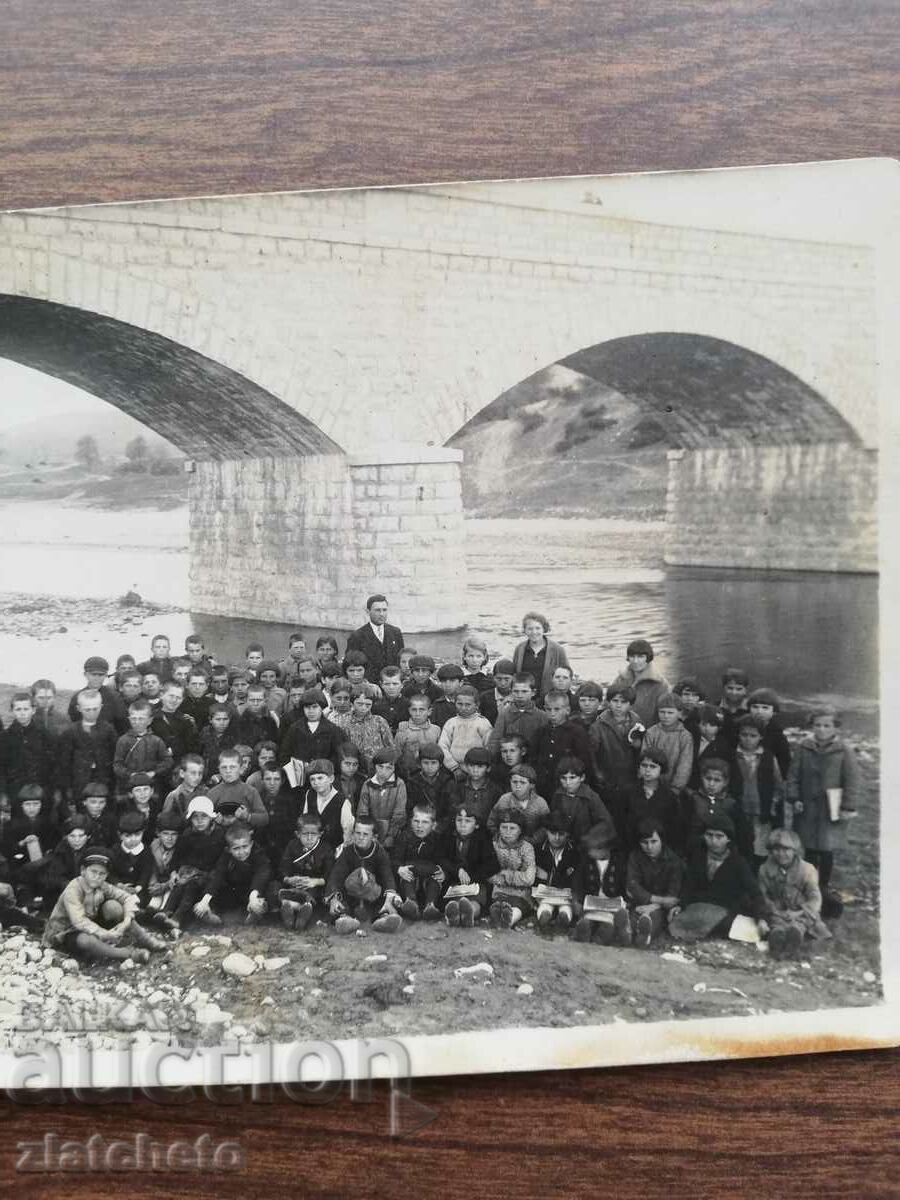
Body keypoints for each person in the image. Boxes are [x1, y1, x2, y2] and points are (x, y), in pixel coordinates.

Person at [787, 706, 862, 919]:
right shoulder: (804, 747)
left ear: (835, 727)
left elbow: (852, 780)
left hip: (831, 807)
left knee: (826, 849)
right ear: (812, 726)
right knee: (809, 847)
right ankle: (808, 883)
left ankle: (823, 886)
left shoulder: (844, 750)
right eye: (817, 725)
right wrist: (794, 798)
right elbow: (793, 775)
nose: (821, 729)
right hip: (808, 808)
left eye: (827, 725)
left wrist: (848, 805)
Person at [42, 847, 167, 964]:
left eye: (102, 874)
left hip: (91, 924)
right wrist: (104, 934)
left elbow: (127, 898)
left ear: (106, 875)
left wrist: (127, 920)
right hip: (65, 933)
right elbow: (78, 921)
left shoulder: (102, 885)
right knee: (86, 940)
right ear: (83, 871)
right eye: (93, 872)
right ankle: (127, 954)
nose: (97, 877)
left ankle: (145, 939)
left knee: (114, 907)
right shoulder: (73, 888)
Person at [669, 813, 767, 942]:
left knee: (740, 927)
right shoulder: (698, 857)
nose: (713, 841)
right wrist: (681, 905)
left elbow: (755, 893)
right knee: (676, 919)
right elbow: (689, 886)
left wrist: (761, 918)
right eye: (709, 835)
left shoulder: (738, 862)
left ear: (728, 839)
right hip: (698, 908)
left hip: (724, 911)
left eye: (719, 836)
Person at [758, 828, 831, 958]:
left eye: (786, 850)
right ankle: (776, 937)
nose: (781, 854)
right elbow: (762, 895)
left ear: (795, 851)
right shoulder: (764, 869)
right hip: (777, 911)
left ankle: (795, 936)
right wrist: (773, 910)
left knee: (800, 924)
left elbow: (815, 898)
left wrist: (798, 912)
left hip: (801, 911)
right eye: (776, 850)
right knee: (775, 923)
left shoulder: (807, 869)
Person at [325, 814, 402, 934]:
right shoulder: (347, 852)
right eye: (357, 833)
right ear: (353, 833)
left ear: (374, 837)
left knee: (385, 895)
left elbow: (387, 876)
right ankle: (344, 918)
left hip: (373, 894)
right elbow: (336, 876)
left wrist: (389, 899)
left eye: (365, 834)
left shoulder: (380, 853)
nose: (360, 837)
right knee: (341, 898)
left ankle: (383, 919)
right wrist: (333, 899)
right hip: (352, 893)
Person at [190, 822, 272, 927]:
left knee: (268, 891)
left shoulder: (258, 854)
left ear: (251, 844)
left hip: (254, 891)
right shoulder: (226, 857)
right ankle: (212, 915)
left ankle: (255, 913)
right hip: (235, 891)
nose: (241, 852)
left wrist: (253, 896)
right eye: (236, 848)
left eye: (245, 847)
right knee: (213, 886)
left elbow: (262, 874)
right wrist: (204, 901)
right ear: (228, 849)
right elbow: (217, 876)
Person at [730, 713, 785, 865]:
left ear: (760, 737)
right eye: (744, 735)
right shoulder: (732, 755)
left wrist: (772, 805)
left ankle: (758, 876)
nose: (748, 739)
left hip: (761, 810)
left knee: (760, 848)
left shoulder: (768, 757)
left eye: (753, 735)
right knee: (740, 845)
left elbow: (778, 785)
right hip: (739, 808)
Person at [623, 817, 685, 947]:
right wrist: (657, 901)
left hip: (661, 909)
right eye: (644, 842)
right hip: (640, 903)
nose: (649, 847)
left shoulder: (674, 861)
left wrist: (656, 905)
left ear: (662, 841)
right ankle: (628, 933)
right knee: (634, 915)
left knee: (654, 919)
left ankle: (645, 936)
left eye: (654, 841)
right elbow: (633, 886)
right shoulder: (635, 857)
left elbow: (673, 896)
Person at [270, 812, 335, 931]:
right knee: (275, 887)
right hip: (293, 883)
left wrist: (315, 881)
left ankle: (299, 911)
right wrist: (289, 879)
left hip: (314, 885)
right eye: (305, 834)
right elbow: (283, 867)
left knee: (314, 893)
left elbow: (330, 872)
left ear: (320, 834)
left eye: (313, 834)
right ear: (298, 834)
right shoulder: (292, 845)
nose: (309, 838)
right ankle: (293, 909)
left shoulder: (326, 848)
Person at [56, 689, 117, 816]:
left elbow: (113, 757)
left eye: (95, 709)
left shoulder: (108, 730)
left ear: (101, 707)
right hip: (80, 783)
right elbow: (64, 762)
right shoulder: (70, 732)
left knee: (103, 814)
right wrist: (67, 789)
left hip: (103, 781)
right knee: (82, 814)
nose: (92, 713)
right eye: (87, 709)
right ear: (79, 708)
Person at [438, 803, 499, 926]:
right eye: (459, 820)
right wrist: (458, 870)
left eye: (468, 821)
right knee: (452, 901)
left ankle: (469, 913)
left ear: (476, 825)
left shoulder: (482, 839)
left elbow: (493, 865)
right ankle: (454, 914)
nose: (463, 824)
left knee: (476, 902)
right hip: (454, 882)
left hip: (476, 883)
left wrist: (471, 875)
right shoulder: (448, 837)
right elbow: (440, 857)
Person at [532, 688, 599, 799]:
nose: (552, 713)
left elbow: (584, 761)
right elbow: (533, 758)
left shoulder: (577, 732)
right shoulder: (540, 732)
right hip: (543, 786)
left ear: (567, 710)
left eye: (557, 709)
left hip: (567, 786)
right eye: (548, 709)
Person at [682, 757, 751, 860]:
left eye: (717, 780)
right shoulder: (693, 800)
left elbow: (742, 833)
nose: (711, 784)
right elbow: (684, 828)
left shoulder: (731, 804)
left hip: (724, 854)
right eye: (708, 778)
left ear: (725, 782)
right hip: (696, 853)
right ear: (702, 777)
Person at [0, 691, 57, 812]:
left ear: (33, 710)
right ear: (12, 711)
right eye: (18, 709)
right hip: (16, 791)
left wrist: (54, 790)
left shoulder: (44, 734)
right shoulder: (5, 737)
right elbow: (2, 767)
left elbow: (54, 764)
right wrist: (3, 793)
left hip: (41, 790)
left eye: (26, 709)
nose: (22, 713)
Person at [592, 682, 644, 810]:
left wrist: (638, 746)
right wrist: (598, 775)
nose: (618, 705)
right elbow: (591, 753)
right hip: (608, 778)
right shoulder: (599, 725)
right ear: (608, 701)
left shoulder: (637, 723)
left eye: (623, 701)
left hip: (630, 778)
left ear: (630, 704)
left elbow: (643, 751)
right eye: (615, 700)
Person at [113, 700, 173, 801]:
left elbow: (168, 761)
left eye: (141, 719)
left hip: (151, 786)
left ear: (149, 720)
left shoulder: (156, 741)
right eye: (134, 719)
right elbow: (117, 765)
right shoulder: (123, 741)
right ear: (129, 719)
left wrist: (153, 773)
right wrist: (130, 774)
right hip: (130, 787)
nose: (137, 722)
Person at [392, 803, 443, 921]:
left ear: (434, 825)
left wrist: (443, 871)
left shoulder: (437, 839)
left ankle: (430, 906)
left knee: (436, 878)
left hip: (428, 880)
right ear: (411, 822)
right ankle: (411, 904)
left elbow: (443, 860)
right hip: (410, 879)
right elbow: (395, 858)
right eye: (416, 821)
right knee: (406, 874)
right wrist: (399, 868)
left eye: (425, 822)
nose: (419, 826)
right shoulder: (404, 837)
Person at [533, 811, 582, 932]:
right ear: (546, 832)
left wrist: (548, 876)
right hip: (544, 894)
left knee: (565, 907)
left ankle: (563, 920)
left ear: (567, 835)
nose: (556, 838)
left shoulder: (574, 852)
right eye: (552, 833)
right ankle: (544, 919)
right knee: (545, 906)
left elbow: (573, 878)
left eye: (561, 834)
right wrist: (559, 877)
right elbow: (535, 876)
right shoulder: (539, 850)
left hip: (566, 895)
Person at [278, 687, 344, 775]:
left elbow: (337, 756)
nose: (311, 711)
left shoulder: (333, 730)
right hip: (299, 778)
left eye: (315, 707)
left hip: (324, 778)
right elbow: (284, 754)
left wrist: (324, 769)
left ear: (322, 708)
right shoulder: (295, 729)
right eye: (307, 707)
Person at [488, 813, 537, 928]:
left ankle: (508, 920)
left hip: (521, 892)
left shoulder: (527, 848)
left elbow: (529, 878)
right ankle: (498, 916)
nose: (508, 832)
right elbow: (489, 873)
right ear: (499, 829)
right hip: (499, 890)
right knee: (498, 903)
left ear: (520, 830)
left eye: (512, 828)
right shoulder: (493, 845)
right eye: (504, 827)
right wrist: (497, 878)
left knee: (517, 906)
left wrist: (505, 875)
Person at [608, 639, 670, 728]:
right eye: (632, 656)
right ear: (628, 658)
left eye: (640, 657)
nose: (635, 661)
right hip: (621, 731)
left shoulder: (661, 684)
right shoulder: (620, 679)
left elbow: (666, 715)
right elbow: (608, 706)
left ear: (648, 658)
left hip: (648, 732)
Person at [641, 691, 694, 794]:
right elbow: (644, 758)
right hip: (651, 784)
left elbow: (684, 765)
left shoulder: (684, 736)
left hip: (673, 788)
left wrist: (676, 788)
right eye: (662, 712)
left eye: (670, 713)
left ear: (679, 713)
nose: (666, 716)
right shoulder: (651, 732)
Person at [345, 594, 405, 684]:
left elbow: (400, 659)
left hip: (392, 685)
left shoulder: (395, 632)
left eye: (384, 610)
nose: (381, 614)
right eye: (377, 610)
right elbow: (351, 664)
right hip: (369, 686)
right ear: (368, 611)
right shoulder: (357, 636)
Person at [487, 673, 550, 757]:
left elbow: (545, 744)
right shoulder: (505, 714)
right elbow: (495, 740)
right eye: (516, 691)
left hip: (532, 761)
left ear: (533, 692)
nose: (520, 695)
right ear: (511, 691)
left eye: (524, 691)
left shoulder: (542, 716)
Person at [357, 748, 407, 852]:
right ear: (374, 766)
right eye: (380, 767)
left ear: (394, 768)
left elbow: (399, 813)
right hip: (371, 832)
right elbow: (362, 812)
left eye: (389, 767)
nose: (384, 771)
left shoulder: (399, 784)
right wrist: (369, 833)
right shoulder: (367, 784)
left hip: (392, 831)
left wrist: (391, 835)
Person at [299, 759, 355, 849]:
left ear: (331, 779)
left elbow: (347, 833)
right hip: (313, 848)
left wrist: (341, 851)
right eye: (312, 779)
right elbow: (305, 821)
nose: (316, 782)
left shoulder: (342, 801)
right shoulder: (310, 794)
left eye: (320, 778)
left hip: (334, 850)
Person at [438, 686, 493, 776]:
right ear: (455, 703)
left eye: (468, 704)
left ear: (477, 704)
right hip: (453, 770)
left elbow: (489, 748)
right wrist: (454, 767)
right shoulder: (451, 723)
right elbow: (443, 746)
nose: (463, 708)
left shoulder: (483, 723)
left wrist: (481, 767)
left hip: (477, 770)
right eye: (460, 704)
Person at [208, 749, 269, 830]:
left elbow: (264, 819)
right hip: (219, 838)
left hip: (244, 838)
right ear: (218, 768)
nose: (228, 771)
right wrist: (213, 820)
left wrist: (248, 816)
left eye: (232, 767)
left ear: (240, 768)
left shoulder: (250, 791)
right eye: (224, 767)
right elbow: (203, 818)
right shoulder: (212, 793)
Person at [340, 685, 394, 775]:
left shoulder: (379, 721)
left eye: (368, 705)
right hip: (355, 770)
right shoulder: (345, 722)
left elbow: (390, 746)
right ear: (352, 703)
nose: (364, 708)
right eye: (360, 704)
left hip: (378, 769)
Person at [486, 764, 549, 839]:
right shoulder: (504, 799)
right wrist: (501, 837)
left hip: (532, 845)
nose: (518, 786)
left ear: (531, 785)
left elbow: (546, 826)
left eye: (522, 782)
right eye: (514, 782)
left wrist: (533, 839)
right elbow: (491, 822)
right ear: (510, 782)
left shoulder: (540, 803)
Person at [67, 656, 128, 733]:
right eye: (93, 674)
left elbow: (122, 724)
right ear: (85, 674)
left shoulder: (115, 698)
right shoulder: (77, 698)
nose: (97, 678)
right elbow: (75, 722)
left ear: (106, 675)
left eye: (100, 675)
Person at [405, 743, 456, 828]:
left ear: (440, 764)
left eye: (433, 763)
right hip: (418, 824)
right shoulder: (412, 781)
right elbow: (409, 808)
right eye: (426, 763)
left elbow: (451, 809)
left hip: (441, 826)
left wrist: (439, 826)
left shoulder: (448, 782)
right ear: (420, 763)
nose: (429, 767)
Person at [447, 747, 501, 827]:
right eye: (471, 766)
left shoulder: (495, 790)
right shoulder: (459, 787)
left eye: (480, 767)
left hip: (486, 831)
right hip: (464, 828)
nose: (475, 770)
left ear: (488, 768)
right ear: (466, 767)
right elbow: (453, 811)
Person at [393, 695, 442, 779]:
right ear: (409, 711)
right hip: (408, 774)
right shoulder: (403, 729)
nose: (417, 714)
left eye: (422, 710)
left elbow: (440, 755)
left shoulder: (436, 730)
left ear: (429, 711)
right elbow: (396, 754)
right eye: (414, 710)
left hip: (431, 774)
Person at [746, 688, 792, 778]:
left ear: (774, 711)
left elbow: (785, 764)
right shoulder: (739, 727)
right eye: (755, 707)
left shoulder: (778, 736)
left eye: (765, 708)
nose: (759, 711)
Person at [162, 754, 206, 818]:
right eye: (193, 773)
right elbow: (166, 821)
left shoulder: (206, 792)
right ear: (182, 773)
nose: (197, 777)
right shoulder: (174, 796)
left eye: (200, 773)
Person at [718, 667, 751, 745]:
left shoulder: (751, 709)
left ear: (745, 689)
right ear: (724, 687)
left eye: (739, 689)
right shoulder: (715, 707)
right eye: (730, 688)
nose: (734, 692)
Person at [373, 667, 409, 733]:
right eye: (387, 684)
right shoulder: (375, 705)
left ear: (402, 684)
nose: (391, 687)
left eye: (395, 684)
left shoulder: (409, 705)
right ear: (381, 685)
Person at [430, 664, 466, 729]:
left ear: (461, 683)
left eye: (452, 681)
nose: (447, 685)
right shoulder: (437, 705)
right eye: (444, 681)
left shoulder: (468, 703)